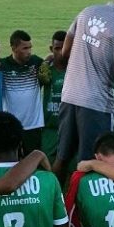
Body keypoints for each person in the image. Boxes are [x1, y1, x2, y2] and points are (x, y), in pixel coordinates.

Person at [54, 0, 114, 183]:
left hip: (69, 95)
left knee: (62, 156)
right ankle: (86, 209)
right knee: (94, 159)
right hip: (97, 102)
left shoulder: (87, 12)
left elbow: (65, 53)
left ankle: (54, 203)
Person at [0, 30, 44, 155]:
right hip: (11, 126)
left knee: (33, 162)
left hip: (33, 126)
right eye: (25, 48)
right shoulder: (3, 66)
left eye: (30, 47)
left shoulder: (36, 63)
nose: (29, 51)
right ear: (13, 48)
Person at [39, 31, 67, 161]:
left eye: (64, 47)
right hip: (49, 129)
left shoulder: (77, 69)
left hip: (70, 129)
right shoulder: (45, 70)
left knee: (72, 168)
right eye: (57, 48)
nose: (61, 52)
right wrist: (45, 62)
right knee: (48, 165)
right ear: (51, 49)